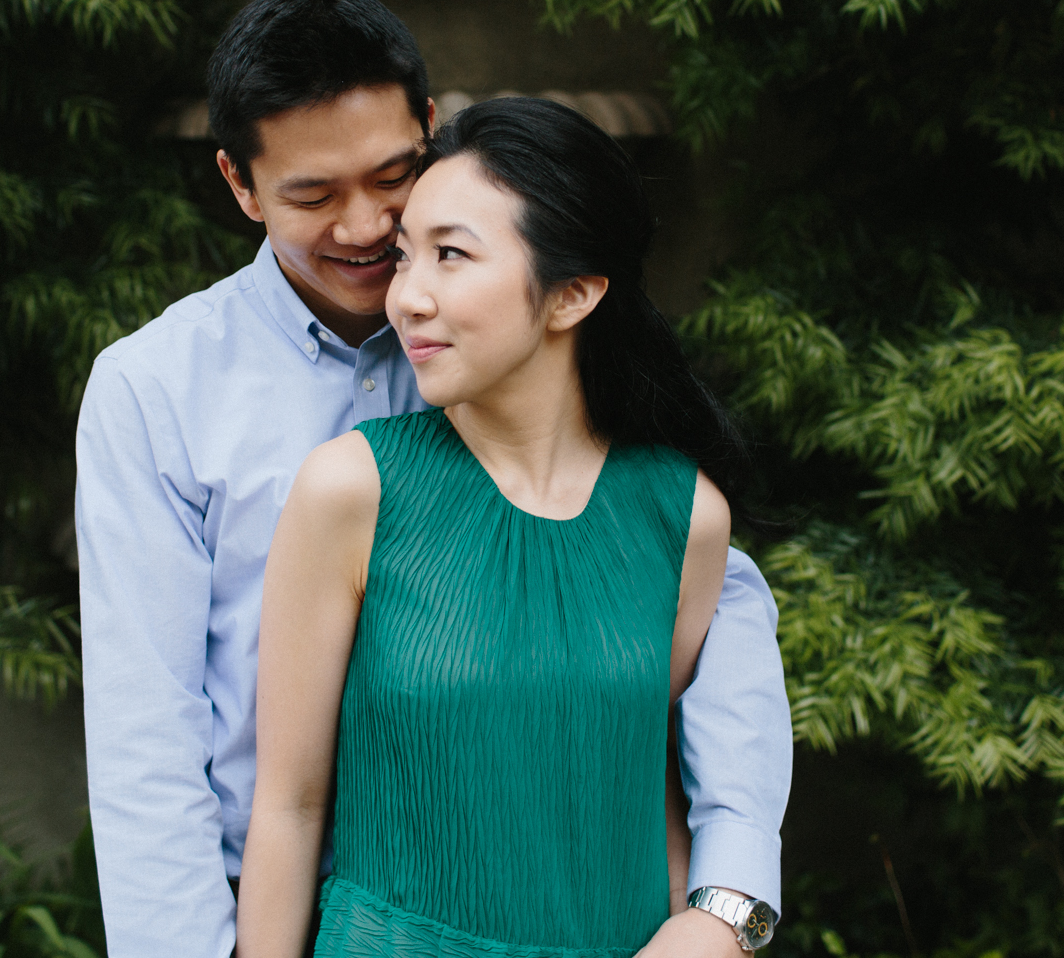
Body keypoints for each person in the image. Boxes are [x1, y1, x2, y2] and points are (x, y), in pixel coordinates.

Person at [75, 0, 791, 958]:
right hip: (262, 900)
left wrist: (724, 908)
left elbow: (699, 673)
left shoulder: (513, 350)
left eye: (392, 177)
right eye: (312, 195)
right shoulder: (157, 389)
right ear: (240, 187)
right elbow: (145, 737)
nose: (367, 227)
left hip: (541, 891)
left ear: (429, 128)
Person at [238, 96, 762, 958]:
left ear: (574, 292)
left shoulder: (687, 517)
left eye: (450, 255)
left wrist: (713, 930)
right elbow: (289, 809)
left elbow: (652, 788)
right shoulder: (353, 489)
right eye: (407, 256)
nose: (406, 296)